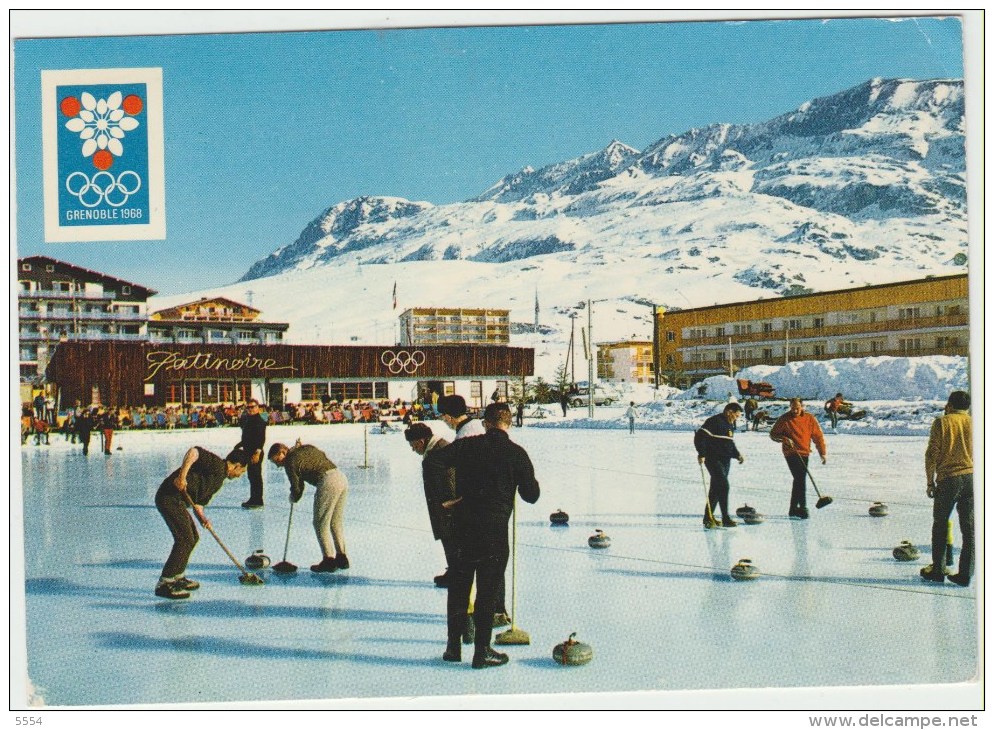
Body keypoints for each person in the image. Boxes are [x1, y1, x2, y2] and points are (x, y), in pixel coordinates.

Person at [432, 402, 539, 669]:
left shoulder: (469, 446)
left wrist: (447, 498)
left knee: (459, 587)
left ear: (485, 422)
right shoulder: (517, 453)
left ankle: (453, 648)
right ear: (509, 423)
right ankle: (482, 652)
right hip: (494, 532)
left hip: (462, 527)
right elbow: (532, 496)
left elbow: (435, 460)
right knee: (487, 591)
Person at [154, 446, 250, 599]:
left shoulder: (218, 481)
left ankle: (178, 577)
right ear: (237, 465)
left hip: (177, 501)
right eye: (242, 471)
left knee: (193, 537)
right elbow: (193, 452)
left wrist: (203, 518)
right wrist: (182, 476)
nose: (240, 475)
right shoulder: (217, 465)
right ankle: (164, 583)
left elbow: (198, 504)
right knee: (184, 539)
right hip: (169, 497)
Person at [268, 441, 350, 573]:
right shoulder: (306, 448)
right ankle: (342, 558)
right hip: (341, 477)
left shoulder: (289, 461)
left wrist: (293, 497)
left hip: (327, 482)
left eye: (276, 460)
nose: (278, 465)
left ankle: (328, 560)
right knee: (335, 522)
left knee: (320, 523)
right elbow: (320, 456)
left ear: (282, 452)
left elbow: (297, 488)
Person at [921, 391, 973, 586]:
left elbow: (931, 454)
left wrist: (929, 482)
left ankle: (938, 569)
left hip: (949, 479)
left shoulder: (942, 422)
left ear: (949, 404)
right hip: (972, 478)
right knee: (969, 528)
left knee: (941, 523)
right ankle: (965, 574)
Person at [404, 423, 458, 586]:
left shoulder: (440, 450)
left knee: (451, 539)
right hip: (443, 505)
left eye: (413, 445)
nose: (413, 449)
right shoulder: (435, 449)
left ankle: (455, 573)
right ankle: (453, 570)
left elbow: (451, 476)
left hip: (448, 506)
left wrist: (449, 503)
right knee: (448, 539)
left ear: (421, 441)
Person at [769, 398, 827, 519]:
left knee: (799, 479)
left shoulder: (809, 418)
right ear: (790, 406)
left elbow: (817, 436)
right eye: (793, 408)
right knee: (800, 477)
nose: (795, 410)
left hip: (805, 451)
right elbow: (773, 434)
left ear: (802, 406)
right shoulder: (784, 419)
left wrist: (822, 452)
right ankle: (803, 507)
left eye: (797, 408)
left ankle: (793, 509)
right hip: (791, 452)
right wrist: (784, 439)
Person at [694, 403, 745, 527]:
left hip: (725, 460)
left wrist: (737, 454)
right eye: (736, 415)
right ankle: (726, 518)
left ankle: (708, 518)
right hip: (713, 459)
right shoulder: (714, 421)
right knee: (723, 485)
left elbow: (729, 443)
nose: (736, 418)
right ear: (729, 411)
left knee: (716, 489)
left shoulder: (730, 424)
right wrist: (702, 453)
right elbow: (699, 437)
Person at [236, 399, 268, 509]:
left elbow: (261, 439)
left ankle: (258, 500)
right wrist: (239, 445)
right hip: (248, 451)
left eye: (252, 407)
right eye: (248, 407)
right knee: (252, 476)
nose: (250, 409)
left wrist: (257, 452)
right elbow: (247, 437)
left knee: (256, 476)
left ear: (257, 407)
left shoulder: (259, 421)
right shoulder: (248, 420)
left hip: (255, 453)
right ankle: (253, 498)